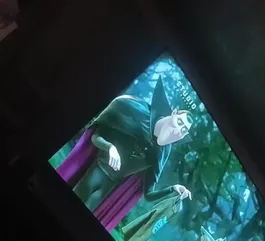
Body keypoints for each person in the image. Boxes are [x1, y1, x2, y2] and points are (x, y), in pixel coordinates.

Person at [56, 76, 192, 232]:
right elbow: (95, 136)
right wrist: (110, 148)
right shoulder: (135, 113)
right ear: (173, 113)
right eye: (179, 122)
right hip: (92, 175)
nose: (178, 130)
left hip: (104, 191)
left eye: (183, 130)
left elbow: (148, 194)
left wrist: (173, 188)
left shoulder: (162, 152)